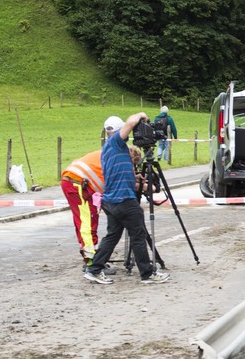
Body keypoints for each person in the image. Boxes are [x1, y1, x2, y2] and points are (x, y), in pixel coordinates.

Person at [84, 112, 169, 285]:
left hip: (111, 200)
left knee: (112, 236)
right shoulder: (116, 142)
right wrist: (141, 116)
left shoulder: (109, 149)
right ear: (117, 130)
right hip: (124, 200)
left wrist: (134, 178)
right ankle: (147, 274)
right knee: (138, 235)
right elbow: (131, 122)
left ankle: (94, 269)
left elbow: (117, 173)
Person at [60, 145, 108, 265]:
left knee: (85, 219)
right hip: (78, 185)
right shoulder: (115, 158)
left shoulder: (107, 153)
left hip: (76, 182)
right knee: (87, 221)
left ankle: (91, 256)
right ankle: (92, 261)